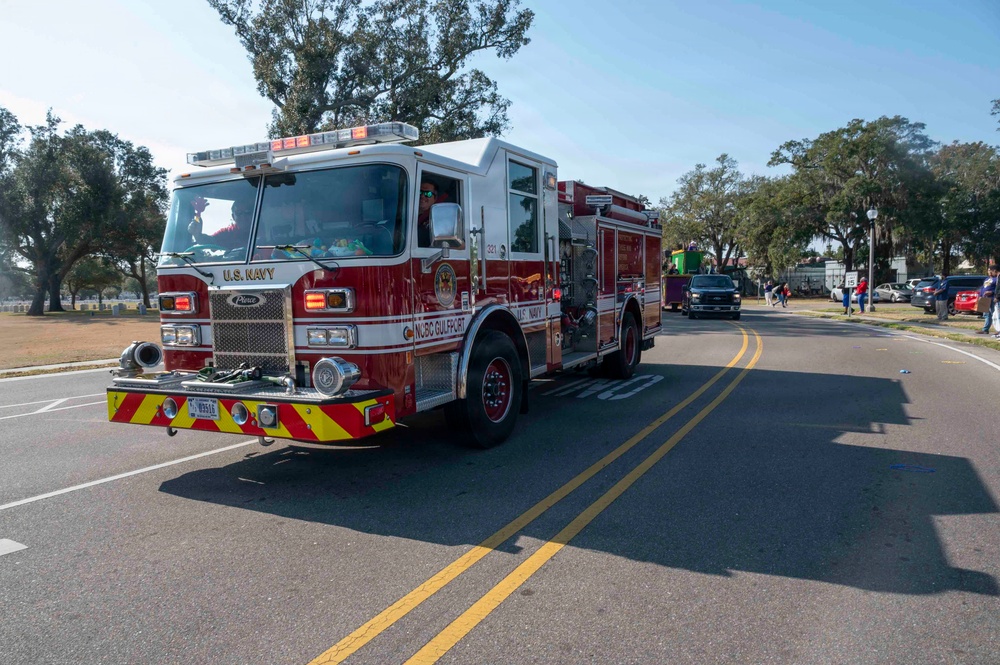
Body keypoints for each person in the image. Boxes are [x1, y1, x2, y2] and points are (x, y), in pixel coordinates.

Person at [187, 197, 254, 249]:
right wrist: (197, 234)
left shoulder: (262, 230)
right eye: (239, 213)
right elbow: (210, 242)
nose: (243, 216)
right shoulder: (228, 232)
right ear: (233, 217)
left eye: (248, 212)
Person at [975, 265, 997, 334]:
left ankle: (998, 330)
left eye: (990, 270)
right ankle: (985, 329)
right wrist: (980, 296)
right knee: (986, 314)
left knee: (995, 314)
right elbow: (983, 288)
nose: (989, 271)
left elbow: (997, 289)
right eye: (988, 270)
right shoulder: (987, 279)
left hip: (992, 299)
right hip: (984, 299)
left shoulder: (996, 279)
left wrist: (992, 292)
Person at [416, 181, 438, 247]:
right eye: (420, 192)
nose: (422, 196)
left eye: (428, 194)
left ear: (435, 199)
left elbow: (461, 246)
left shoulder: (438, 221)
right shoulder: (404, 216)